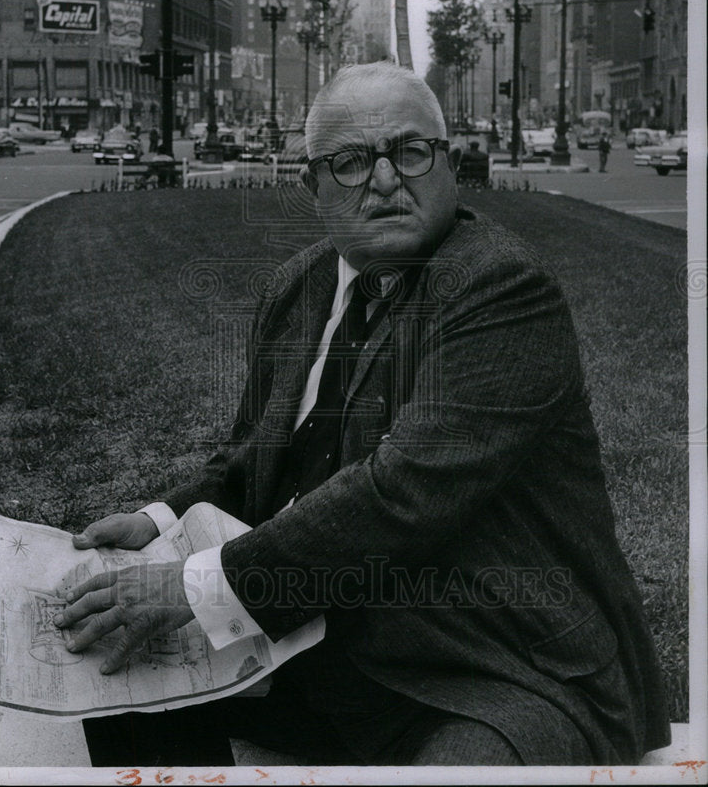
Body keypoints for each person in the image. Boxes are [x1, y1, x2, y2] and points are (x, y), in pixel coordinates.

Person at [55, 63, 670, 767]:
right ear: (312, 185)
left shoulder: (500, 286)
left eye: (409, 152)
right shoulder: (300, 285)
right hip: (321, 646)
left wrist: (194, 586)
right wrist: (157, 521)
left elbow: (403, 490)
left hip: (492, 663)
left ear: (450, 165)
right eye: (350, 162)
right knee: (113, 680)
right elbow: (251, 458)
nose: (383, 180)